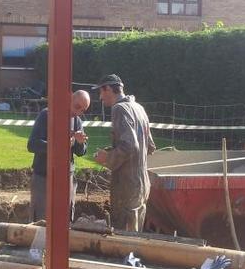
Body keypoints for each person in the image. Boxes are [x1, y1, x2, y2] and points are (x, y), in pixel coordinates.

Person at [93, 74, 155, 231]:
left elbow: (130, 146)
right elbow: (149, 146)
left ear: (108, 88)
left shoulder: (119, 109)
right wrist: (114, 149)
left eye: (100, 92)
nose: (100, 97)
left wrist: (107, 158)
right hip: (142, 183)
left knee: (124, 239)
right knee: (135, 234)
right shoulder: (139, 108)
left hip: (127, 186)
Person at [26, 90, 91, 222]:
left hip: (67, 178)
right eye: (77, 107)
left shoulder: (77, 121)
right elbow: (32, 144)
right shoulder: (47, 115)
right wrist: (58, 146)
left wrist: (79, 143)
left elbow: (81, 151)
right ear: (69, 100)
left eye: (83, 110)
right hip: (44, 177)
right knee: (40, 219)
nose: (78, 112)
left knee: (65, 219)